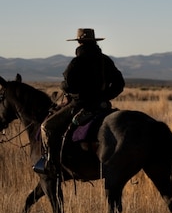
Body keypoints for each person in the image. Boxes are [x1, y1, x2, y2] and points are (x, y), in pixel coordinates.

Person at [35, 28, 126, 174]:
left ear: (79, 42)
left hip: (79, 105)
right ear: (94, 42)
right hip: (101, 105)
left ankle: (50, 164)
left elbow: (68, 84)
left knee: (47, 127)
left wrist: (65, 87)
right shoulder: (105, 60)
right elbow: (119, 83)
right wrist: (105, 96)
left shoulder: (78, 61)